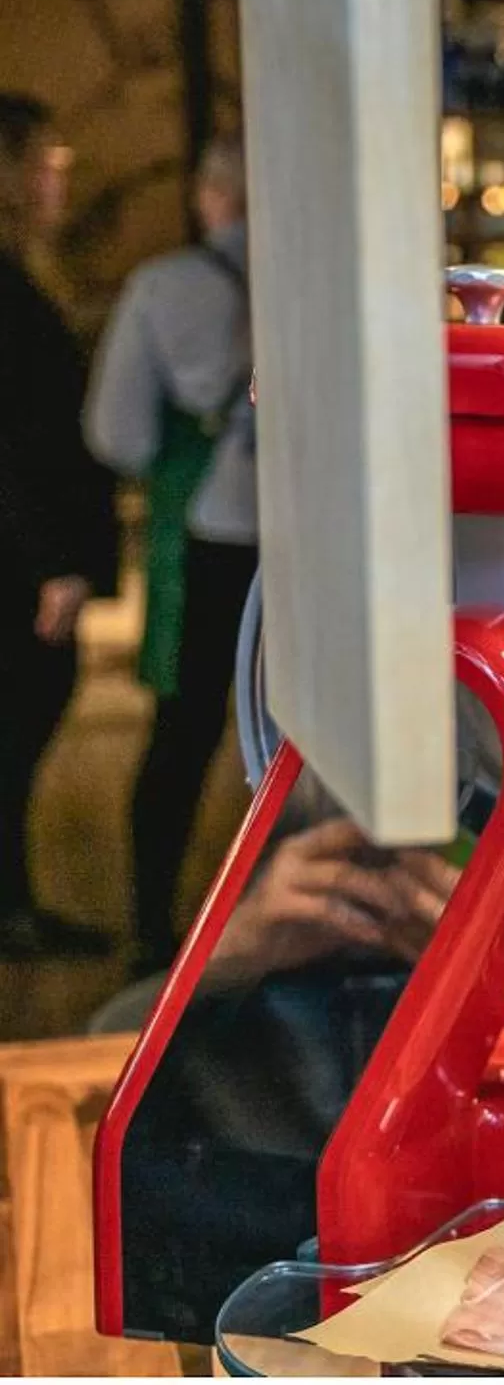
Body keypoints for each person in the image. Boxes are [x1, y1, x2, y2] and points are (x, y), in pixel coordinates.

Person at [87, 135, 257, 971]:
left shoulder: (164, 288)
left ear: (211, 197)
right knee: (298, 738)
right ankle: (280, 919)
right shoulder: (326, 287)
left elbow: (117, 434)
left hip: (208, 538)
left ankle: (154, 929)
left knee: (182, 736)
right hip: (314, 547)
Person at [0, 93, 119, 960]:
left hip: (27, 550)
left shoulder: (21, 272)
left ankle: (16, 907)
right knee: (19, 725)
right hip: (20, 559)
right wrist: (52, 562)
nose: (58, 179)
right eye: (46, 161)